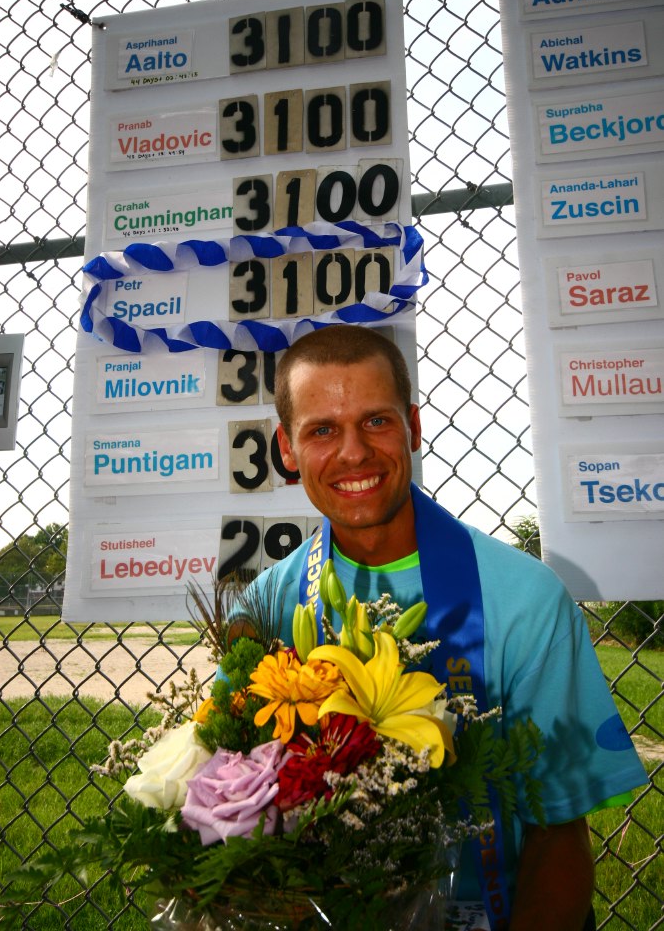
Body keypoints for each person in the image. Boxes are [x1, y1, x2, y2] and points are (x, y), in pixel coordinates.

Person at [256, 323, 647, 931]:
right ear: (286, 447)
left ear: (413, 427)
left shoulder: (526, 598)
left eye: (376, 421)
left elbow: (559, 831)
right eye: (323, 430)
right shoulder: (267, 604)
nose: (354, 453)